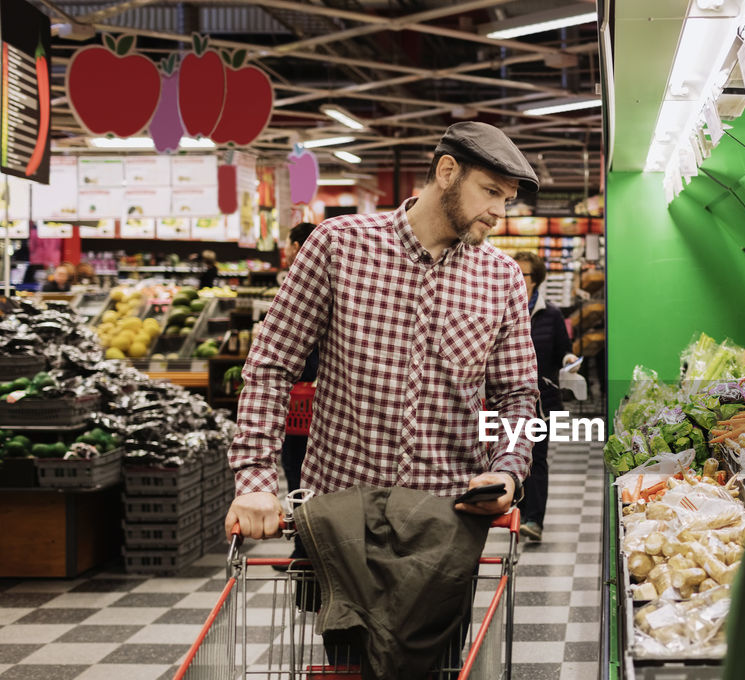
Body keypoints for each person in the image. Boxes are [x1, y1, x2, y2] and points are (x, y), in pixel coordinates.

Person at [225, 121, 540, 539]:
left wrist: (507, 470)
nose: (500, 212)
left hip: (445, 521)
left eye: (508, 200)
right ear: (447, 172)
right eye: (490, 191)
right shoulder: (338, 246)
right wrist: (255, 480)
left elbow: (516, 395)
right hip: (337, 516)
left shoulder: (502, 278)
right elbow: (271, 366)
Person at [513, 251, 572, 542]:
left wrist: (570, 359)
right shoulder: (504, 307)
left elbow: (563, 350)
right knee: (511, 455)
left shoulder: (551, 314)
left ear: (535, 280)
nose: (516, 277)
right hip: (507, 399)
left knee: (536, 457)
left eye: (521, 273)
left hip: (541, 401)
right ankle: (517, 513)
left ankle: (534, 520)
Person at [278, 222, 319, 498]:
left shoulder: (299, 283)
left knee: (297, 465)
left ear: (295, 247)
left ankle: (305, 538)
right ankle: (308, 536)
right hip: (317, 398)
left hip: (304, 394)